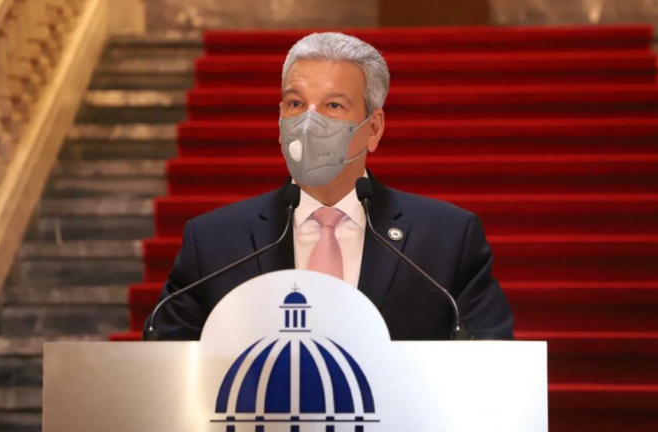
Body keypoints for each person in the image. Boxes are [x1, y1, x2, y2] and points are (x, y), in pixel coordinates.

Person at [151, 32, 514, 341]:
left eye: (333, 105)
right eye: (295, 103)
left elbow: (491, 359)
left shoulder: (447, 238)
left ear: (374, 128)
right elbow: (165, 364)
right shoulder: (212, 242)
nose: (308, 122)